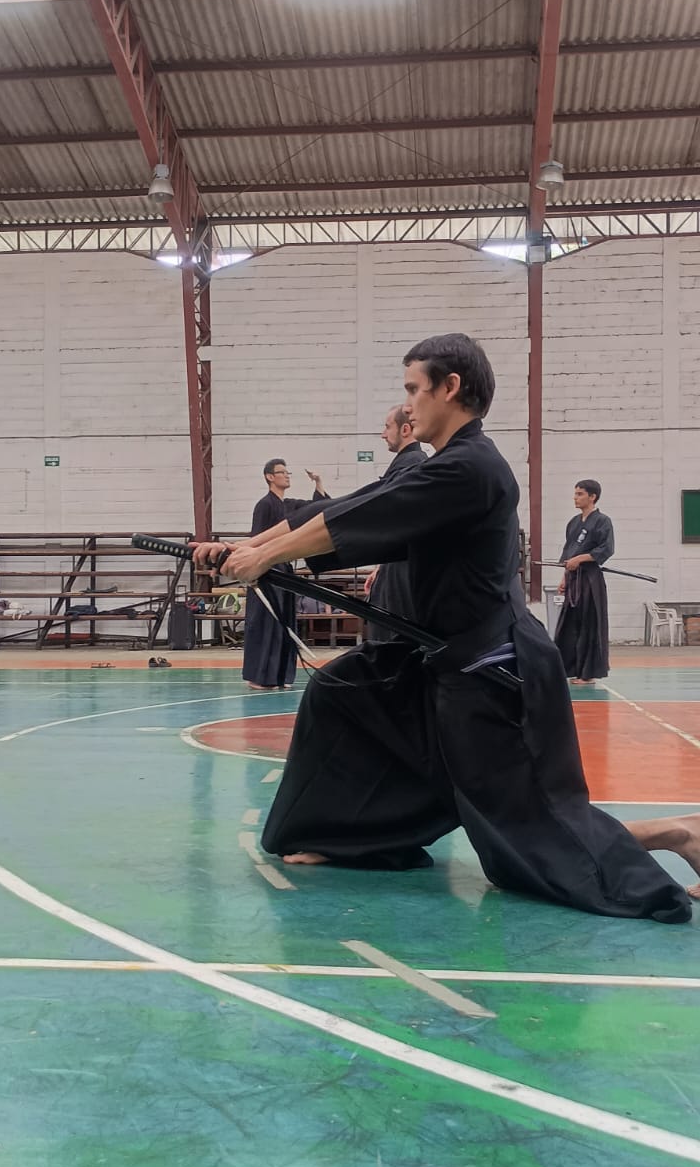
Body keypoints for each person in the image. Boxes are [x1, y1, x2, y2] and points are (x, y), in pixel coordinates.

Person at [194, 334, 699, 920]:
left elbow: (361, 517)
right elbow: (344, 508)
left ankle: (681, 833)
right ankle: (354, 837)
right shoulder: (445, 466)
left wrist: (262, 557)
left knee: (522, 845)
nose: (408, 405)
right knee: (343, 694)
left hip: (498, 675)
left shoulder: (470, 469)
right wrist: (245, 546)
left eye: (414, 389)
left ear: (450, 387)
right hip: (443, 662)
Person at [241, 458, 329, 689]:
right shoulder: (264, 505)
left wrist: (318, 482)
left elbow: (317, 508)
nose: (287, 475)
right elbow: (257, 538)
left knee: (284, 622)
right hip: (266, 570)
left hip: (285, 569)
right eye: (282, 472)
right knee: (266, 622)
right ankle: (260, 677)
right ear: (270, 477)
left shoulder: (290, 505)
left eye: (288, 472)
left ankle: (281, 676)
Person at [364, 404, 425, 642]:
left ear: (405, 430)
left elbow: (398, 523)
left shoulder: (412, 463)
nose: (383, 434)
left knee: (393, 640)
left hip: (404, 573)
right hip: (397, 566)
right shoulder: (409, 462)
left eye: (388, 427)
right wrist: (382, 566)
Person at [554, 480, 614, 685]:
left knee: (590, 624)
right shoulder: (573, 523)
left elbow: (606, 549)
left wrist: (581, 558)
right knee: (569, 625)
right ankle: (569, 669)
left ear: (592, 497)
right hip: (573, 579)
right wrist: (564, 577)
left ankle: (588, 674)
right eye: (575, 493)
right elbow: (568, 554)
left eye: (580, 494)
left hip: (590, 579)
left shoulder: (603, 521)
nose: (575, 498)